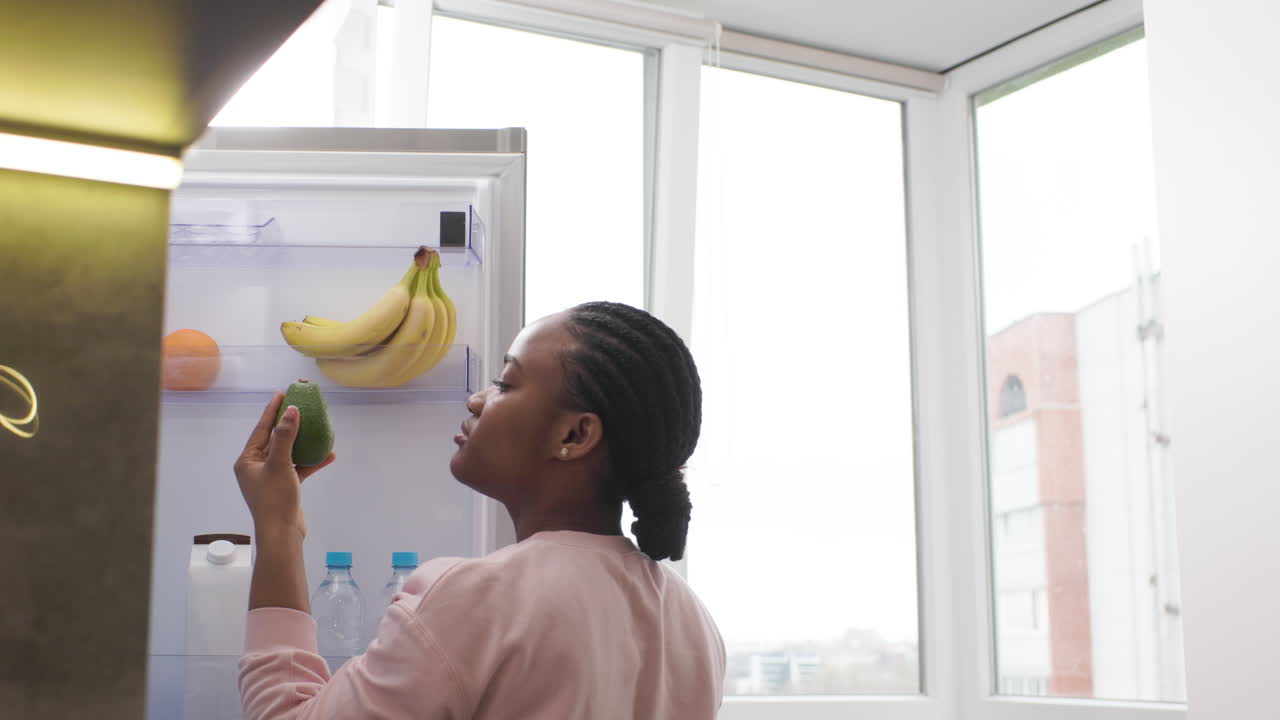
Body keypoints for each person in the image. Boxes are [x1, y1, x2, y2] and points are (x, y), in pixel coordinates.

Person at [234, 301, 725, 719]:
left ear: (574, 436)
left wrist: (278, 528)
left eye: (505, 383)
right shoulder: (691, 621)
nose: (476, 399)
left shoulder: (473, 598)